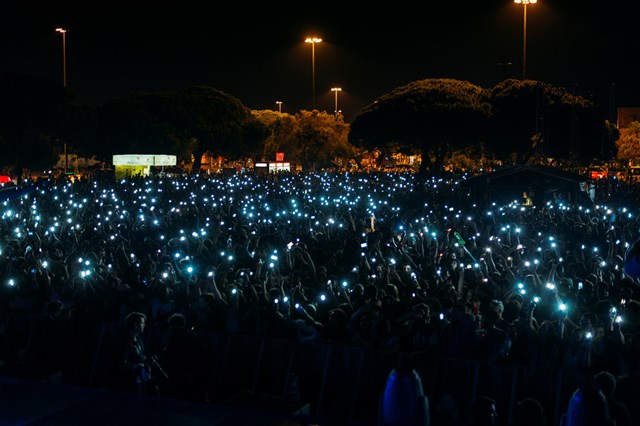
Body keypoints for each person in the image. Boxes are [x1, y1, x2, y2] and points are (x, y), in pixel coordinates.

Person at [118, 311, 159, 396]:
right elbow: (122, 363)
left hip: (138, 381)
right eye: (143, 323)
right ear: (136, 325)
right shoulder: (125, 341)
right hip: (127, 383)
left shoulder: (138, 339)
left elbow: (139, 356)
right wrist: (138, 366)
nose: (144, 325)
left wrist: (147, 360)